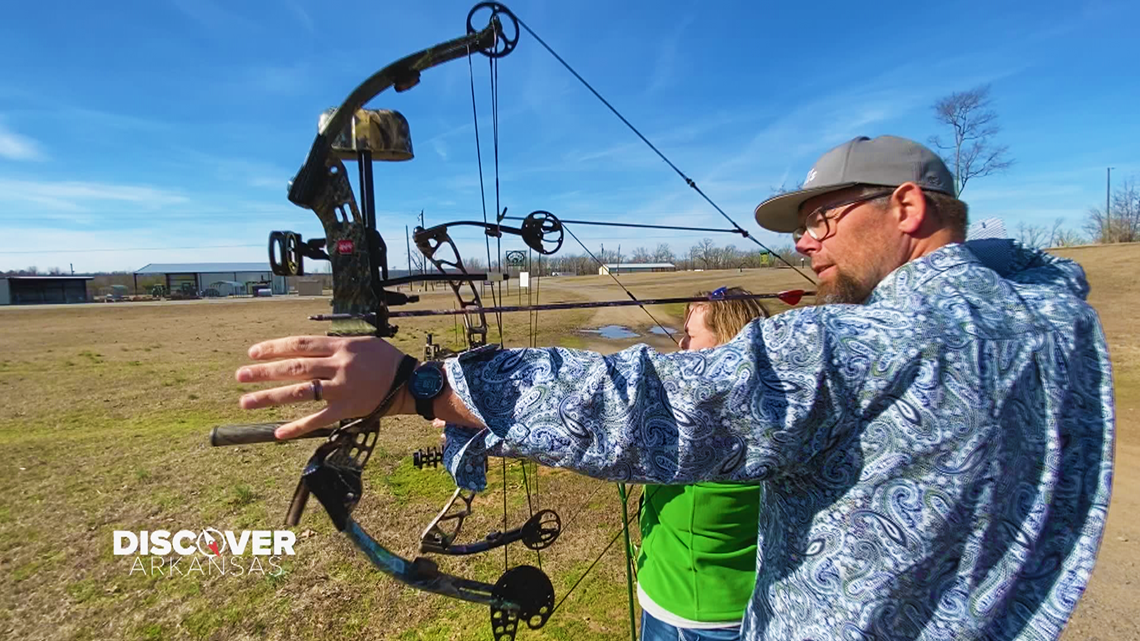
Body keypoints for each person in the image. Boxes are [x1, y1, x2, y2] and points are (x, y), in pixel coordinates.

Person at [234, 135, 1115, 640]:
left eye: (823, 217)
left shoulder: (866, 342)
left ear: (908, 209)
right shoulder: (1054, 322)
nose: (805, 241)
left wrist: (416, 384)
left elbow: (652, 405)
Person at [638, 287, 770, 641]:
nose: (680, 345)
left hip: (684, 610)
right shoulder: (768, 411)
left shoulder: (697, 429)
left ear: (725, 344)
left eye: (691, 336)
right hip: (746, 603)